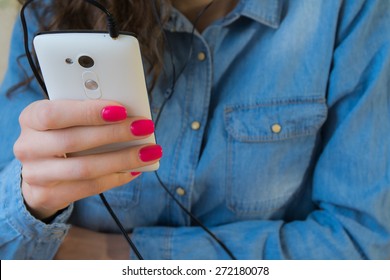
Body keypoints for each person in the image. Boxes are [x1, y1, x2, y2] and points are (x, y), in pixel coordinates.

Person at [0, 0, 389, 260]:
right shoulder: (52, 13)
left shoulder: (350, 11)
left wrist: (116, 254)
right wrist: (31, 205)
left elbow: (363, 244)